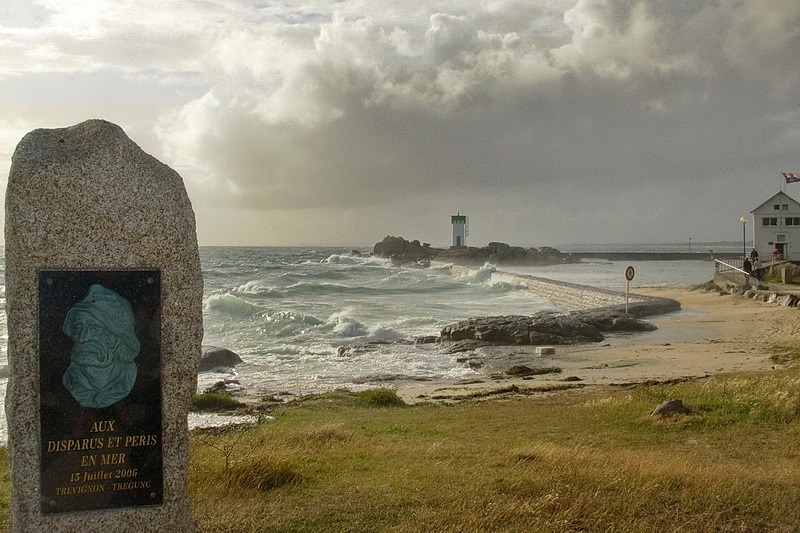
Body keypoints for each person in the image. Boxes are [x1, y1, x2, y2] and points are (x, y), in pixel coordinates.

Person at [62, 284, 141, 408]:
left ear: (116, 338)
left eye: (94, 328)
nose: (82, 338)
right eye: (78, 327)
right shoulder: (71, 380)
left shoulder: (126, 379)